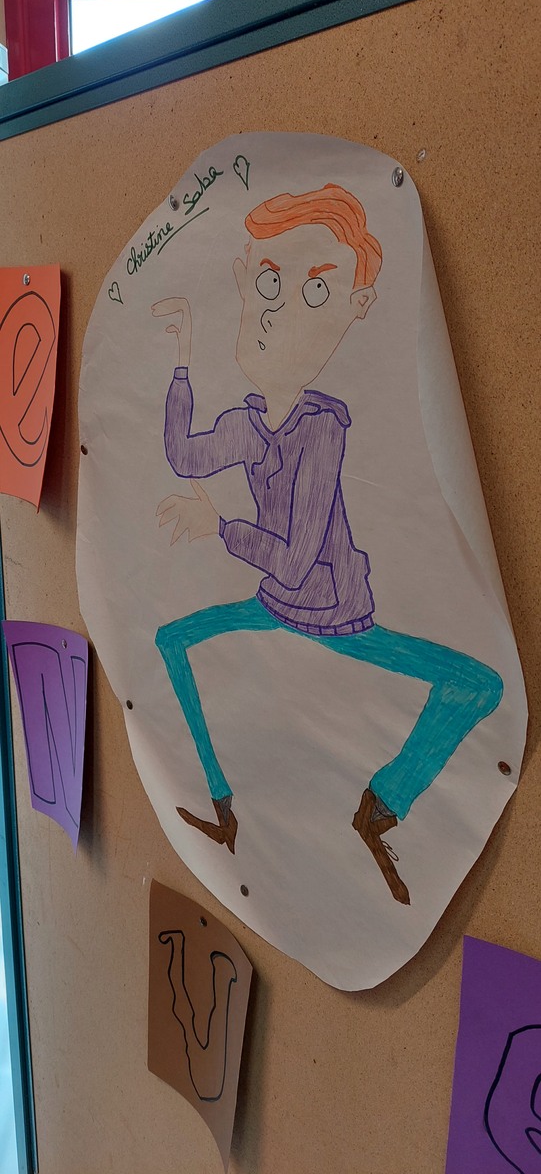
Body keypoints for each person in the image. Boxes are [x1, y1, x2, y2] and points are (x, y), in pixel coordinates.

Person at [153, 184, 502, 905]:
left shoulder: (321, 429)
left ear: (354, 309)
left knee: (478, 685)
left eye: (316, 293)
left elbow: (293, 558)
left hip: (334, 613)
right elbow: (184, 455)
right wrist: (183, 359)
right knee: (169, 639)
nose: (276, 312)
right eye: (268, 283)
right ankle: (223, 805)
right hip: (277, 604)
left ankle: (382, 803)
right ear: (245, 281)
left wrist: (221, 528)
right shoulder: (251, 422)